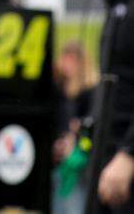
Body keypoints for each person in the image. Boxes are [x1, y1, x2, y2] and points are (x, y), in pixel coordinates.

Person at [68, 0, 134, 211]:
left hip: (124, 164)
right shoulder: (115, 4)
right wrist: (83, 137)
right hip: (108, 163)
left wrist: (129, 154)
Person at [52, 40, 98, 213]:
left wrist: (78, 135)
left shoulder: (90, 91)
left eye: (72, 59)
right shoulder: (59, 89)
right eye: (65, 58)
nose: (67, 64)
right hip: (58, 162)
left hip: (79, 163)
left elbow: (91, 127)